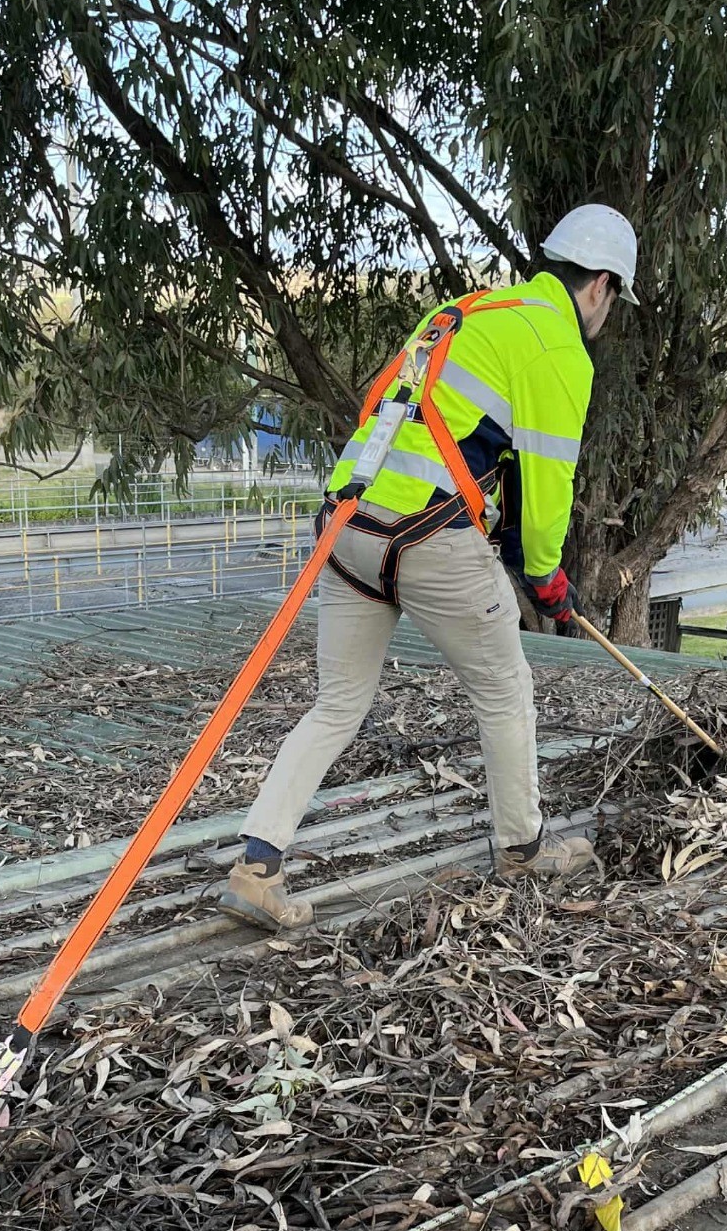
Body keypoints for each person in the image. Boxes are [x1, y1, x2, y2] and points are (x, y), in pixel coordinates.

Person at [218, 204, 639, 933]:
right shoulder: (559, 348)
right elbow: (548, 494)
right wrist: (545, 580)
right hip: (429, 537)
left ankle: (256, 868)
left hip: (350, 526)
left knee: (337, 704)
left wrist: (509, 548)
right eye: (613, 302)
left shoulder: (465, 311)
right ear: (600, 285)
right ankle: (523, 849)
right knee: (505, 689)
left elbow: (441, 431)